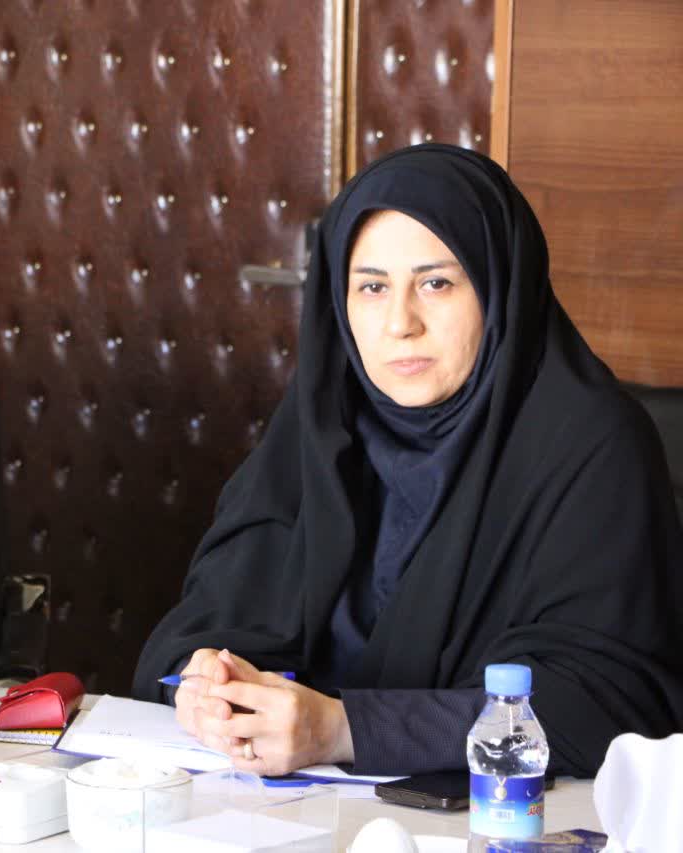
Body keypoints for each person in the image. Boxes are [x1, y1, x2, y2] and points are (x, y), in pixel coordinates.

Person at [133, 144, 683, 778]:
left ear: (499, 286)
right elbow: (203, 625)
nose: (400, 323)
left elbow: (603, 702)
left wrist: (343, 730)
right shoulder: (322, 427)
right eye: (372, 287)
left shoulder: (592, 446)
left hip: (496, 818)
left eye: (436, 283)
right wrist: (205, 684)